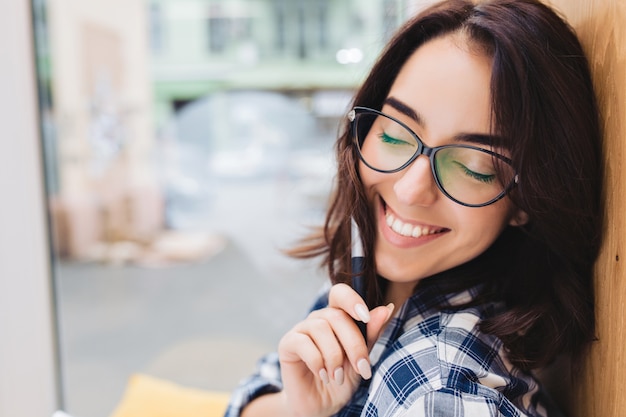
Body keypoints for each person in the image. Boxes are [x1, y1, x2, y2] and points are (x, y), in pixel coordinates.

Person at [224, 0, 603, 415]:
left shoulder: (443, 392)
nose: (409, 190)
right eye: (393, 136)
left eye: (473, 167)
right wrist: (295, 409)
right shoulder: (364, 287)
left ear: (528, 199)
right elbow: (258, 389)